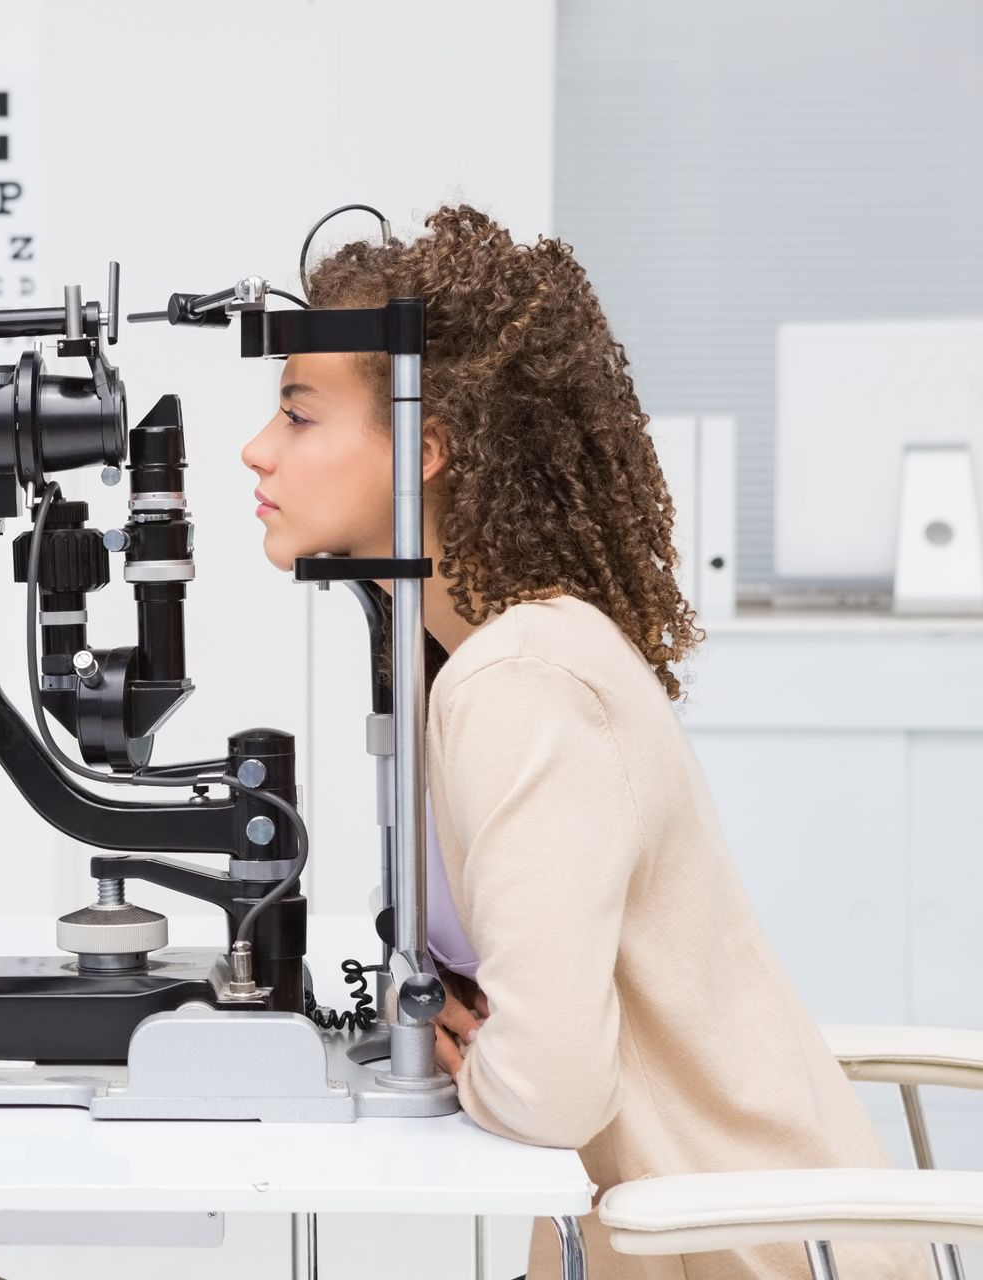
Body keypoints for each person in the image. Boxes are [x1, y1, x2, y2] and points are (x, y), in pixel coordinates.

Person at [240, 205, 923, 1280]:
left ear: (427, 446)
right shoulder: (486, 655)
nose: (257, 449)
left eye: (299, 415)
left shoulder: (519, 682)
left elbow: (549, 1085)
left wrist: (477, 1056)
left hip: (739, 1259)